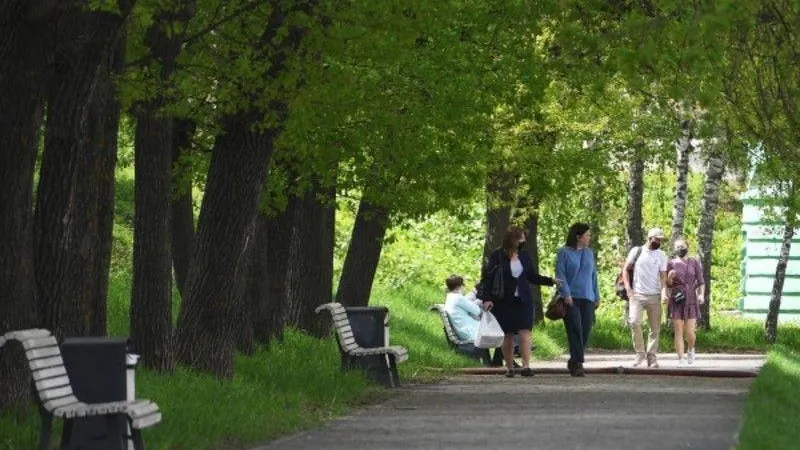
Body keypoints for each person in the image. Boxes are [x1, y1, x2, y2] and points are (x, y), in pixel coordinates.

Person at [480, 226, 558, 378]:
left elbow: (531, 276)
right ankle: (509, 367)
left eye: (523, 238)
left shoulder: (525, 255)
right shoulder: (497, 255)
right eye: (519, 238)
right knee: (507, 334)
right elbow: (488, 278)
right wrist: (487, 299)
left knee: (525, 331)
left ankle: (526, 366)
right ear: (511, 239)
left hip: (524, 299)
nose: (522, 241)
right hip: (504, 300)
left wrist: (551, 281)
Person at [555, 223, 600, 377]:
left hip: (587, 296)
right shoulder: (564, 253)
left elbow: (593, 276)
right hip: (571, 298)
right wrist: (566, 293)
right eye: (587, 235)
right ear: (578, 237)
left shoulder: (589, 253)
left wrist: (596, 296)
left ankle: (573, 360)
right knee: (575, 328)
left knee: (585, 330)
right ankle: (578, 363)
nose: (589, 238)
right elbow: (560, 275)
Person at [622, 227, 668, 368]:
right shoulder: (637, 251)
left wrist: (664, 292)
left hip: (654, 295)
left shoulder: (661, 255)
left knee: (655, 328)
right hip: (637, 294)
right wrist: (628, 289)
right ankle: (639, 353)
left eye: (661, 240)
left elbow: (662, 276)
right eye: (657, 239)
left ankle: (652, 357)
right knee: (635, 322)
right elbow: (625, 269)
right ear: (649, 238)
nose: (659, 242)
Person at [666, 239, 705, 366]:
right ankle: (680, 359)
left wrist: (701, 294)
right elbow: (668, 284)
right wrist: (670, 277)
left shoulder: (694, 262)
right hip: (677, 298)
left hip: (691, 299)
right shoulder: (671, 263)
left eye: (682, 246)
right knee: (678, 331)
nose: (679, 249)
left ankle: (691, 349)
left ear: (687, 246)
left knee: (690, 332)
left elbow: (701, 281)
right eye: (677, 247)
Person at [443, 275, 481, 342]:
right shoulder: (458, 298)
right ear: (459, 287)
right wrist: (480, 300)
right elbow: (477, 311)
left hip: (463, 330)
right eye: (463, 285)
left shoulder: (450, 297)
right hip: (470, 332)